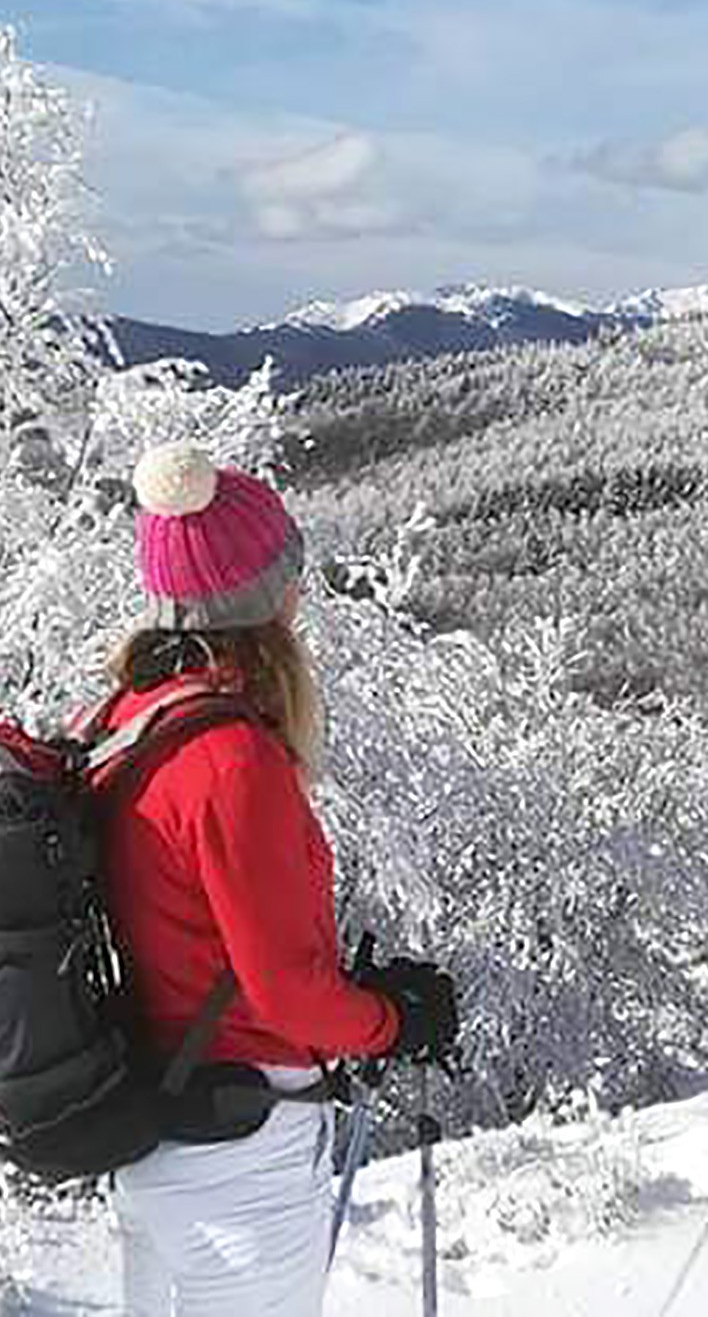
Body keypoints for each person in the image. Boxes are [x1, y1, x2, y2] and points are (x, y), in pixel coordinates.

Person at [97, 443, 459, 1316]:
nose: (301, 591)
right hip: (238, 1161)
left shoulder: (129, 726)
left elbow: (196, 938)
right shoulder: (232, 762)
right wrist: (390, 1021)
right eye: (290, 567)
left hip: (154, 1141)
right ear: (266, 595)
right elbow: (287, 996)